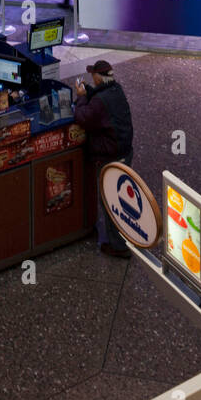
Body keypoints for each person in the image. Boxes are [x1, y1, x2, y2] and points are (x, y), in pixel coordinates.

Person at [73, 60, 134, 258]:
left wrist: (81, 98)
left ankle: (118, 246)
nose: (92, 78)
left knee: (110, 201)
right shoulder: (116, 90)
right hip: (125, 151)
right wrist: (89, 91)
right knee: (121, 197)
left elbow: (83, 117)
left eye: (93, 76)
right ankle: (125, 237)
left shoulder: (100, 101)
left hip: (110, 156)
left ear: (99, 77)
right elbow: (101, 101)